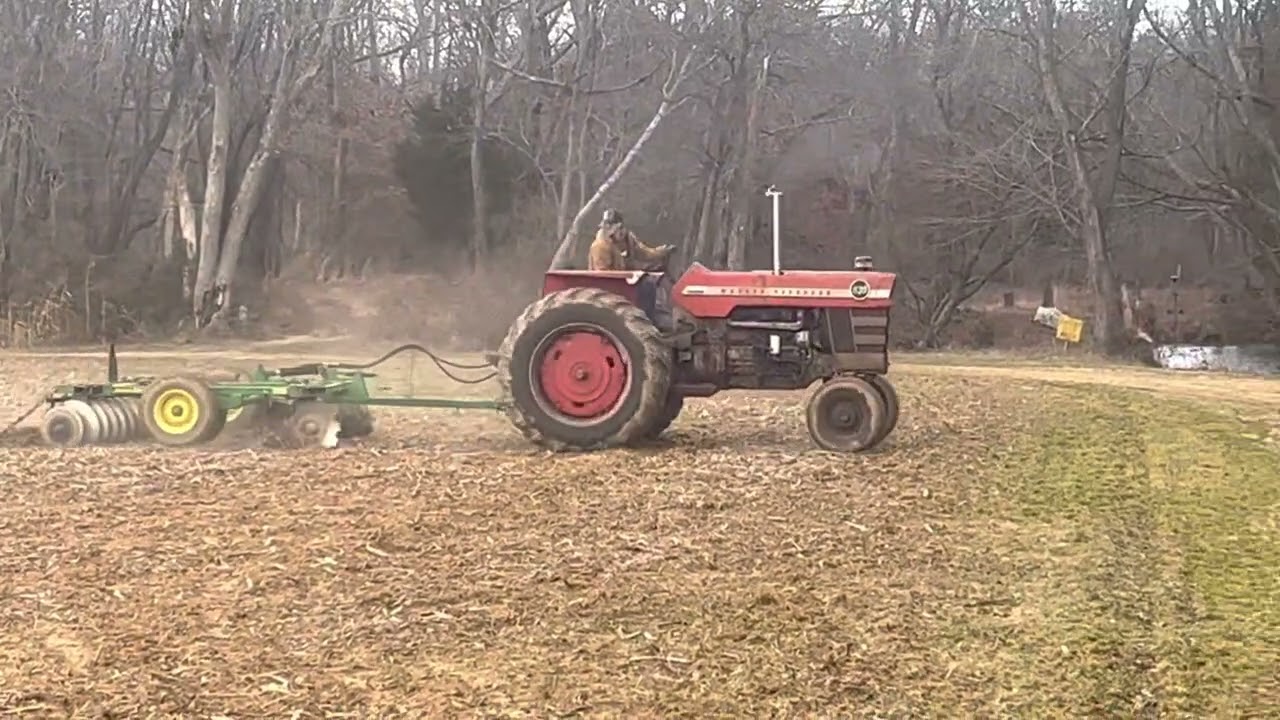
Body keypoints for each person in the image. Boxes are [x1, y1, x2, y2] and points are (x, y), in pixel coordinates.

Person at [587, 208, 675, 271]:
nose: (611, 231)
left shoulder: (628, 239)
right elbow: (603, 274)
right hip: (610, 286)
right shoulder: (600, 246)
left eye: (619, 228)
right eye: (607, 227)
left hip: (625, 280)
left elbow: (645, 253)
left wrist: (662, 251)